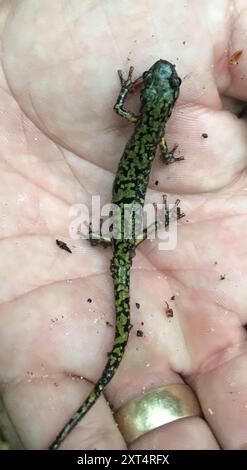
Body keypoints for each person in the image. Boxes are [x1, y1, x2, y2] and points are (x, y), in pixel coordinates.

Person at [0, 0, 246, 450]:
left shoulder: (139, 124)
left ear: (160, 102)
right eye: (161, 83)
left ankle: (114, 353)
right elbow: (161, 152)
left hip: (124, 221)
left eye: (161, 83)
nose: (165, 75)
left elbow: (119, 105)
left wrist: (130, 86)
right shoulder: (156, 134)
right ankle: (112, 351)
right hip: (125, 223)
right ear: (167, 106)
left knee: (125, 240)